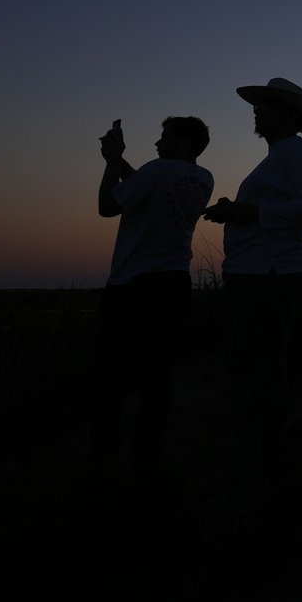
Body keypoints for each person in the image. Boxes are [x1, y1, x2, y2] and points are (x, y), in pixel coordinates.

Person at [203, 77, 302, 487]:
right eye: (257, 105)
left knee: (259, 364)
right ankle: (258, 450)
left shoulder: (295, 151)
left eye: (265, 106)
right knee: (253, 361)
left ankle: (261, 458)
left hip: (268, 273)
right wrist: (239, 209)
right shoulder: (281, 154)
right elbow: (274, 204)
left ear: (288, 114)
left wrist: (251, 214)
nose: (255, 112)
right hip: (257, 271)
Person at [90, 116, 214, 474]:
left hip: (133, 288)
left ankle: (102, 460)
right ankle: (147, 459)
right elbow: (148, 185)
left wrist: (112, 160)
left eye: (165, 137)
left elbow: (106, 206)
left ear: (185, 143)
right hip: (173, 288)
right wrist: (123, 165)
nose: (158, 144)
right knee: (157, 378)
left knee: (108, 377)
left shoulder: (157, 170)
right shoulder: (202, 178)